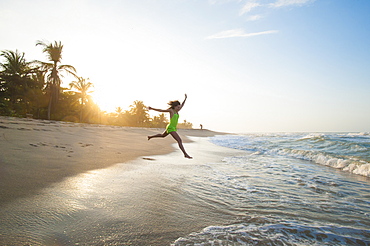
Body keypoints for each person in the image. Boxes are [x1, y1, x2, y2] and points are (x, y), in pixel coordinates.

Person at [147, 94, 192, 159]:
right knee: (179, 140)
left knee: (163, 136)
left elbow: (182, 105)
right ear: (174, 107)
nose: (179, 108)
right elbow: (161, 110)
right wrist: (151, 108)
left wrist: (185, 99)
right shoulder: (171, 111)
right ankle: (185, 154)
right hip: (171, 128)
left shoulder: (177, 111)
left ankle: (150, 137)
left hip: (172, 127)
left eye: (179, 107)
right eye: (178, 107)